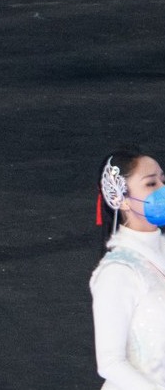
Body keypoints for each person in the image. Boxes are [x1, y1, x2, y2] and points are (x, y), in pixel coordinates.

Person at [92, 147, 165, 388]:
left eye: (163, 180)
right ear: (121, 199)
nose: (162, 190)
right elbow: (110, 362)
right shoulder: (118, 272)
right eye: (151, 184)